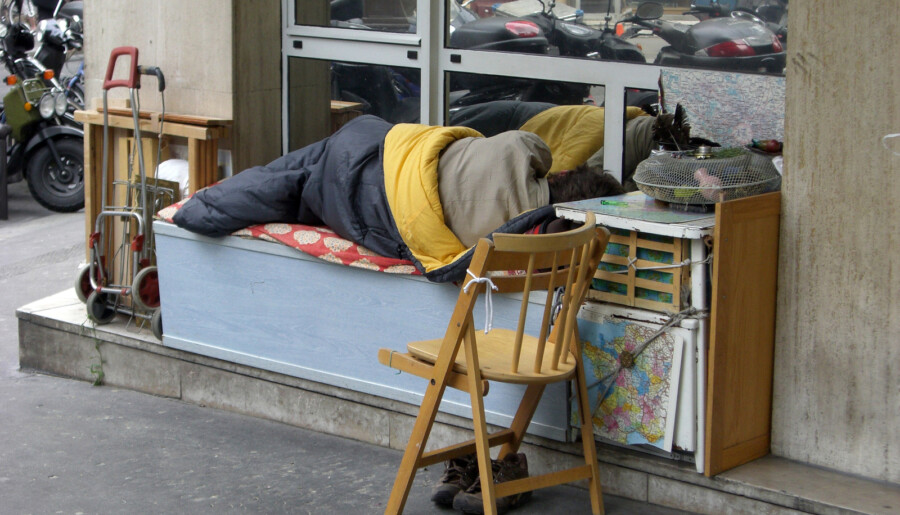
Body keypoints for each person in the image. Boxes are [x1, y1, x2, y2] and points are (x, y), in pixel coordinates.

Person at [174, 114, 622, 283]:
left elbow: (532, 145)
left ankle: (197, 208)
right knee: (296, 192)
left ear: (565, 177)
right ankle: (203, 208)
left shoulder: (523, 150)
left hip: (380, 146)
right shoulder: (522, 240)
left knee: (293, 174)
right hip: (369, 215)